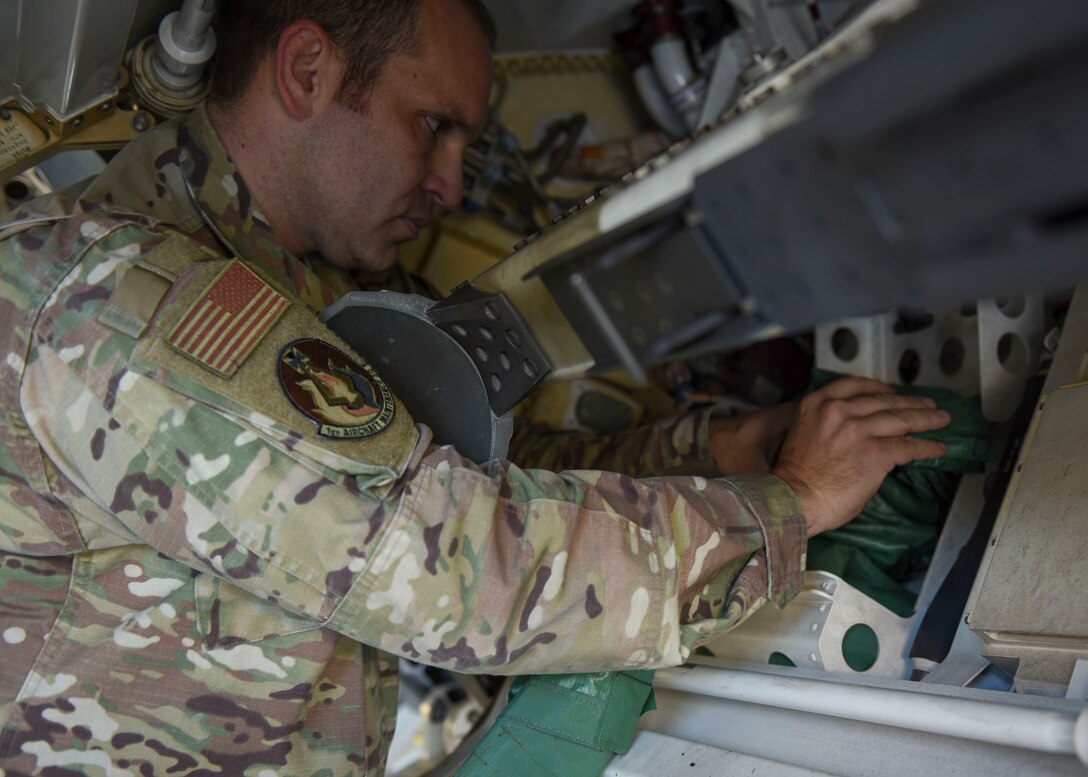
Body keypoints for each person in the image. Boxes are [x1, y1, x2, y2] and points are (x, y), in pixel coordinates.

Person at [0, 0, 950, 773]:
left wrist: (722, 451)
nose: (452, 183)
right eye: (434, 125)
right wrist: (786, 510)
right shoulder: (118, 299)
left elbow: (466, 476)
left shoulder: (307, 294)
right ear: (306, 72)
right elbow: (446, 557)